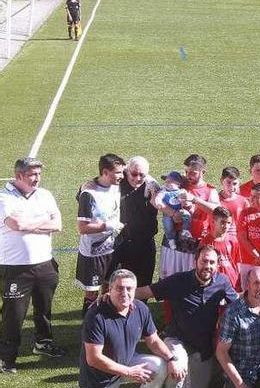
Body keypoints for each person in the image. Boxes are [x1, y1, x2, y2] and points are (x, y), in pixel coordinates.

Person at [58, 269, 179, 388]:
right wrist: (129, 372)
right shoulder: (96, 315)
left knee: (161, 366)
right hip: (100, 376)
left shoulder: (140, 308)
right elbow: (93, 359)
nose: (125, 293)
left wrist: (172, 358)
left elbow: (153, 340)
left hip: (126, 362)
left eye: (129, 289)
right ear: (110, 290)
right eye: (119, 288)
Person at [134, 245, 238, 388]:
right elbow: (146, 292)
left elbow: (238, 303)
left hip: (202, 346)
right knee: (178, 365)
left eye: (212, 262)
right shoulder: (178, 281)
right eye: (204, 261)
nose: (208, 265)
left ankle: (185, 379)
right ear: (195, 261)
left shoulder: (222, 282)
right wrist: (115, 293)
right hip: (177, 339)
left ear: (217, 264)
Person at [0, 158, 64, 373]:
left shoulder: (44, 195)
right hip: (15, 268)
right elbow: (16, 225)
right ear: (19, 176)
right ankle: (7, 358)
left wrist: (29, 225)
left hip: (45, 263)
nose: (37, 179)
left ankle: (43, 343)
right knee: (14, 315)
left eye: (38, 174)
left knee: (44, 308)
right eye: (32, 175)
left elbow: (58, 224)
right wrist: (41, 223)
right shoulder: (4, 197)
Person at [76, 153, 125, 317]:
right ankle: (88, 330)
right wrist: (108, 226)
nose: (122, 176)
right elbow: (82, 228)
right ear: (105, 172)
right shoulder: (89, 194)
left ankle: (105, 323)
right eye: (118, 172)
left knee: (109, 288)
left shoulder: (117, 186)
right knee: (91, 293)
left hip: (112, 249)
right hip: (93, 254)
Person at [111, 156, 161, 286]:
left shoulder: (152, 186)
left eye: (142, 175)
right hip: (121, 243)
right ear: (127, 170)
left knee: (144, 283)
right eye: (134, 173)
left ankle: (140, 307)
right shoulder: (117, 183)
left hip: (145, 244)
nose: (137, 178)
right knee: (118, 284)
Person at [157, 171, 194, 251]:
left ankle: (185, 230)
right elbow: (157, 198)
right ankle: (170, 239)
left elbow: (187, 202)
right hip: (168, 214)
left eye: (169, 182)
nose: (166, 183)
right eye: (166, 181)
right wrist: (158, 202)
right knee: (168, 225)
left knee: (187, 216)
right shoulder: (164, 191)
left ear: (178, 183)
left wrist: (186, 203)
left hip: (180, 210)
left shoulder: (181, 191)